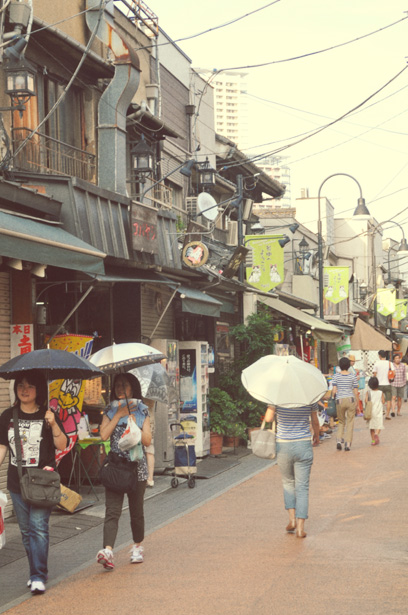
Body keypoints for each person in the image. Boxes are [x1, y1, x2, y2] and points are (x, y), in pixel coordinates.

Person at [0, 371, 69, 595]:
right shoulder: (8, 415)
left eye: (30, 386)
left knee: (38, 529)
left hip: (42, 483)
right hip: (16, 481)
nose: (24, 389)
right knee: (26, 531)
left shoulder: (48, 415)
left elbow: (62, 444)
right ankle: (36, 571)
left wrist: (54, 424)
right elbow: (2, 448)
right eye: (20, 385)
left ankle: (38, 575)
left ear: (39, 390)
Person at [96, 372, 151, 570]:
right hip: (116, 468)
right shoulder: (109, 411)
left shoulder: (142, 410)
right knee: (112, 511)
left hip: (137, 469)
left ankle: (137, 546)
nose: (120, 389)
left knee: (136, 512)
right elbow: (103, 435)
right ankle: (108, 550)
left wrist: (133, 423)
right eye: (117, 385)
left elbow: (147, 441)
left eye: (124, 385)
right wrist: (118, 415)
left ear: (133, 388)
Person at [264, 402, 320, 539]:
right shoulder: (309, 397)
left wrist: (273, 406)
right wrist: (317, 435)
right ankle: (300, 529)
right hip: (303, 444)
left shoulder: (277, 396)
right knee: (302, 487)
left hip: (283, 445)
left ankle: (292, 520)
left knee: (288, 482)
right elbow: (314, 420)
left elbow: (268, 418)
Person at [331, 356, 358, 451]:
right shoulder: (352, 376)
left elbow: (334, 390)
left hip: (340, 400)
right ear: (348, 365)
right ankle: (347, 444)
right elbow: (355, 390)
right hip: (350, 399)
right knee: (350, 422)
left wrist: (332, 398)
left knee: (341, 421)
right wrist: (357, 402)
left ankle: (339, 440)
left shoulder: (336, 376)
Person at [372, 350, 392, 420]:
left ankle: (381, 412)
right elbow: (394, 373)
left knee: (379, 400)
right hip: (388, 384)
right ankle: (387, 414)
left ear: (379, 356)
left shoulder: (377, 363)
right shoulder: (389, 363)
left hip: (379, 384)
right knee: (388, 400)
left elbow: (374, 374)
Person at [365, 377, 384, 446]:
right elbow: (383, 401)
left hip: (371, 412)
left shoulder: (368, 392)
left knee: (372, 427)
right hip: (379, 411)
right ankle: (377, 434)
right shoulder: (380, 392)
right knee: (379, 425)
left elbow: (366, 401)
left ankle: (373, 440)